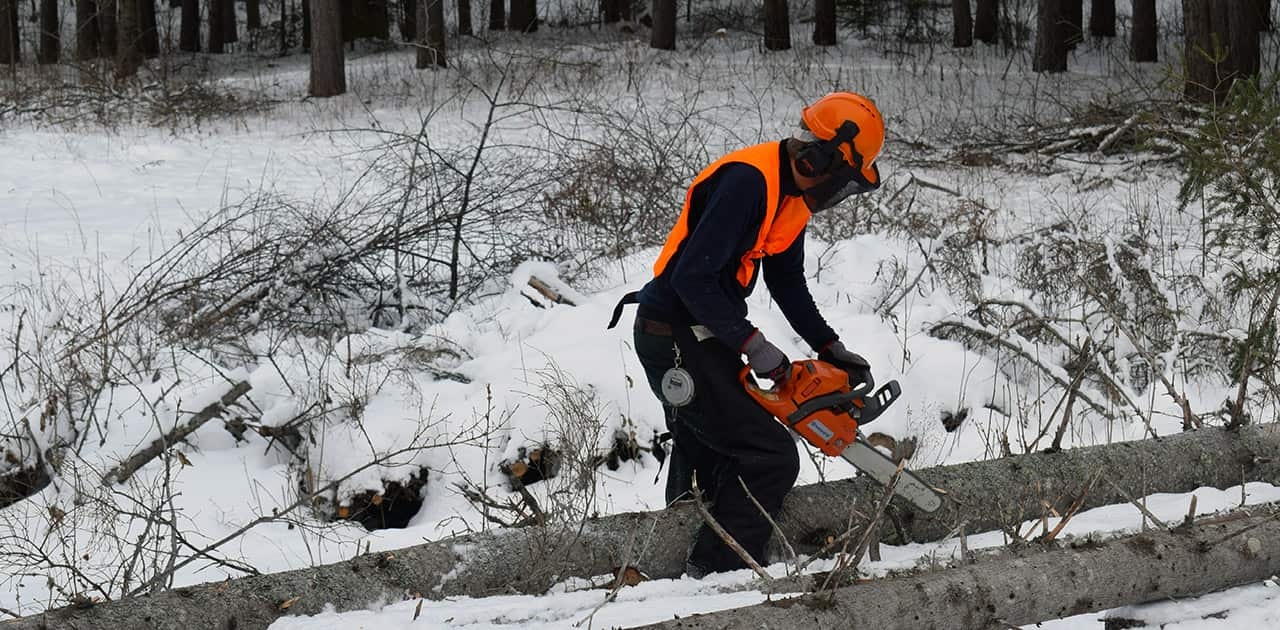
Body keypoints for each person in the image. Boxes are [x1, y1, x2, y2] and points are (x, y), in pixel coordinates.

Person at [607, 91, 887, 577]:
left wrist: (829, 346)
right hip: (672, 332)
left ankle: (679, 560)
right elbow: (691, 278)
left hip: (703, 330)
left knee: (713, 450)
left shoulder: (790, 195)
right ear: (821, 157)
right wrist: (755, 347)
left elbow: (787, 280)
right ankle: (718, 574)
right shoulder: (749, 182)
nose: (840, 189)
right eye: (843, 177)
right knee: (769, 455)